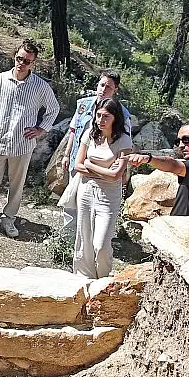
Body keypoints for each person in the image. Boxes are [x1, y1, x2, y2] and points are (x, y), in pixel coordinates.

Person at [0, 39, 59, 237]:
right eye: (19, 58)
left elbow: (53, 109)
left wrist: (40, 129)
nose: (22, 63)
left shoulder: (40, 86)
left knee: (17, 185)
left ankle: (9, 218)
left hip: (22, 144)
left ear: (33, 63)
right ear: (14, 57)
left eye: (27, 61)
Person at [60, 71, 132, 239]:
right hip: (78, 160)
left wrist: (122, 170)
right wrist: (66, 154)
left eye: (109, 87)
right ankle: (68, 239)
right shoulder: (83, 105)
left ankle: (91, 238)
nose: (104, 89)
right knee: (72, 199)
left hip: (104, 166)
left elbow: (125, 144)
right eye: (102, 85)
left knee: (94, 205)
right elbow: (73, 131)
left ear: (115, 90)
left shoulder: (122, 114)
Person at [72, 97, 133, 279]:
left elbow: (116, 176)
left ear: (115, 118)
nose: (101, 120)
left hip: (109, 195)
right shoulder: (90, 134)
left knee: (101, 244)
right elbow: (78, 165)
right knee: (84, 237)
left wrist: (90, 165)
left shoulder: (124, 140)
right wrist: (104, 172)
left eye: (106, 116)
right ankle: (83, 278)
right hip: (86, 190)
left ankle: (103, 279)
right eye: (98, 115)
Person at [126, 119, 189, 217]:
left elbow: (175, 166)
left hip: (184, 227)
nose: (181, 146)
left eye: (186, 140)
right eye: (178, 141)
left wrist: (148, 159)